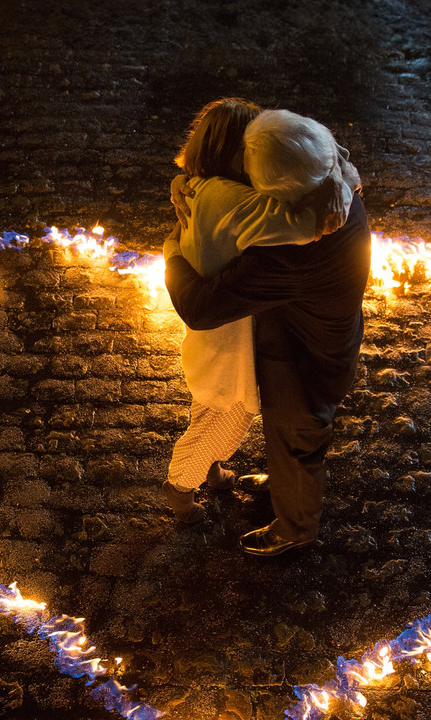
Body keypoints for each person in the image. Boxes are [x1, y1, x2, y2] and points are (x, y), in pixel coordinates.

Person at [164, 108, 371, 556]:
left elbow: (200, 308)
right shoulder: (325, 183)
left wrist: (172, 251)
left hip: (304, 362)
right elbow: (317, 148)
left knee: (298, 441)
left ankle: (295, 529)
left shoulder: (290, 254)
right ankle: (282, 486)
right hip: (313, 339)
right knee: (281, 436)